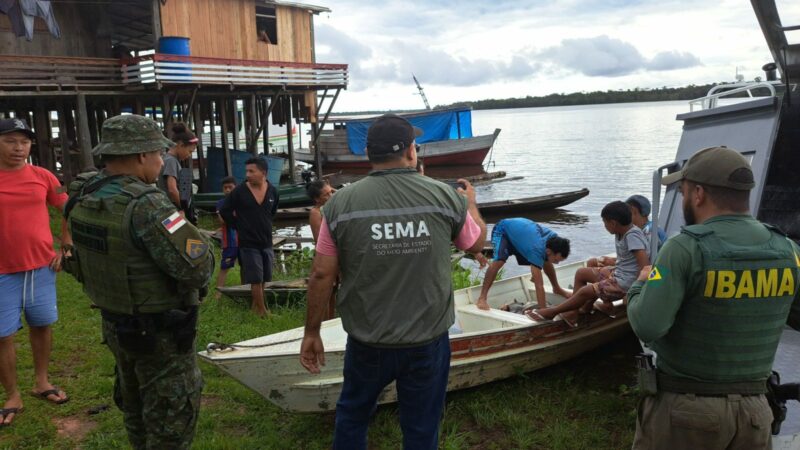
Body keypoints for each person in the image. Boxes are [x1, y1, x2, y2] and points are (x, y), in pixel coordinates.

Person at [299, 114, 486, 449]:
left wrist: (312, 332)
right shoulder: (446, 197)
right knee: (421, 425)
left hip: (368, 340)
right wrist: (471, 204)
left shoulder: (340, 203)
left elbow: (322, 274)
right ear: (411, 152)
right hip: (427, 339)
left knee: (353, 414)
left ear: (369, 153)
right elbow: (473, 245)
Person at [627, 146, 800, 449]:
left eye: (682, 192)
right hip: (756, 413)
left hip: (685, 413)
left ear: (698, 194)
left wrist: (639, 287)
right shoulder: (789, 250)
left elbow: (647, 326)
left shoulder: (683, 249)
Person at [63, 114, 214, 449]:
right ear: (142, 155)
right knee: (170, 419)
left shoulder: (86, 192)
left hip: (116, 323)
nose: (162, 161)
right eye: (159, 154)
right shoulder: (146, 204)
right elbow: (197, 267)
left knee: (135, 410)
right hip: (159, 333)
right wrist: (203, 242)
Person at [0, 118, 71, 426]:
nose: (19, 148)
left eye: (24, 142)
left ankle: (41, 382)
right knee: (3, 335)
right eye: (10, 141)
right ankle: (12, 394)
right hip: (3, 271)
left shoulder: (42, 175)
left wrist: (65, 245)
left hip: (42, 266)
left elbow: (67, 207)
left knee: (42, 325)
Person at [529, 201, 650, 326]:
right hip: (618, 273)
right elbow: (627, 260)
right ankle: (576, 311)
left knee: (585, 291)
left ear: (613, 223)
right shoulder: (621, 232)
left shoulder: (632, 236)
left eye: (605, 223)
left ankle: (552, 312)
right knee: (581, 273)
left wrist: (634, 292)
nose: (605, 226)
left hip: (625, 283)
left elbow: (646, 267)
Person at [219, 157, 279, 317]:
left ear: (263, 172)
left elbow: (272, 211)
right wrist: (238, 225)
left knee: (266, 276)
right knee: (255, 278)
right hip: (248, 242)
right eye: (247, 171)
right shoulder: (239, 191)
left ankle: (255, 305)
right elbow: (224, 210)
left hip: (266, 240)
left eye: (251, 171)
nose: (248, 174)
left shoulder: (272, 190)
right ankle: (262, 311)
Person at [475, 218, 571, 310]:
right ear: (549, 251)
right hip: (503, 231)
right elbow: (539, 285)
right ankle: (482, 298)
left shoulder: (554, 239)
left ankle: (556, 288)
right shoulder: (536, 249)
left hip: (522, 237)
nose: (557, 263)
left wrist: (539, 267)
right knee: (499, 261)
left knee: (547, 260)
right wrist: (543, 310)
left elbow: (546, 255)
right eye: (557, 260)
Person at [156, 122, 198, 222]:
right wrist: (184, 208)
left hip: (168, 208)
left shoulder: (168, 159)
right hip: (173, 209)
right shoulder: (171, 161)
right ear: (180, 145)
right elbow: (172, 189)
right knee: (179, 234)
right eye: (190, 151)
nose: (189, 155)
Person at [214, 176, 239, 299]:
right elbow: (222, 221)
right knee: (224, 267)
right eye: (225, 188)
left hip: (244, 240)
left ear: (236, 188)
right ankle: (218, 293)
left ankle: (246, 288)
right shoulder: (220, 203)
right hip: (229, 241)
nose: (228, 190)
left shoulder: (242, 201)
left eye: (231, 187)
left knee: (246, 266)